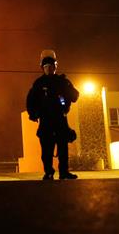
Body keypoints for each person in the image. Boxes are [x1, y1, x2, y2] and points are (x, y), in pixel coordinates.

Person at [26, 49, 79, 180]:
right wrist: (33, 114)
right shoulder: (38, 84)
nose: (49, 68)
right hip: (45, 121)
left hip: (61, 120)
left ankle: (64, 172)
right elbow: (30, 100)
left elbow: (75, 96)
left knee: (63, 149)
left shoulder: (62, 81)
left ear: (56, 66)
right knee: (47, 150)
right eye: (46, 66)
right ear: (42, 68)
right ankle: (48, 172)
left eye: (52, 66)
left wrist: (68, 90)